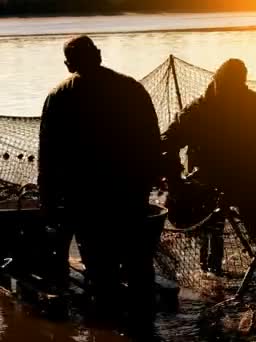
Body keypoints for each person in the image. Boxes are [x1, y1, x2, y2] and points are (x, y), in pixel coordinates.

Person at [38, 35, 161, 333]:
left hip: (85, 200)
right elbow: (152, 142)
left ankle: (106, 328)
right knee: (138, 265)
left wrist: (49, 202)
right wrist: (147, 183)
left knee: (100, 269)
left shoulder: (59, 96)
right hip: (130, 194)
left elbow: (48, 155)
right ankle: (145, 327)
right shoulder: (132, 89)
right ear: (99, 54)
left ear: (69, 65)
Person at [161, 58, 256, 275]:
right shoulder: (197, 111)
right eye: (223, 85)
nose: (226, 91)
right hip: (208, 182)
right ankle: (212, 273)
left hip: (249, 179)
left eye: (232, 86)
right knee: (211, 229)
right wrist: (175, 179)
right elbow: (168, 140)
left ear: (241, 84)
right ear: (215, 80)